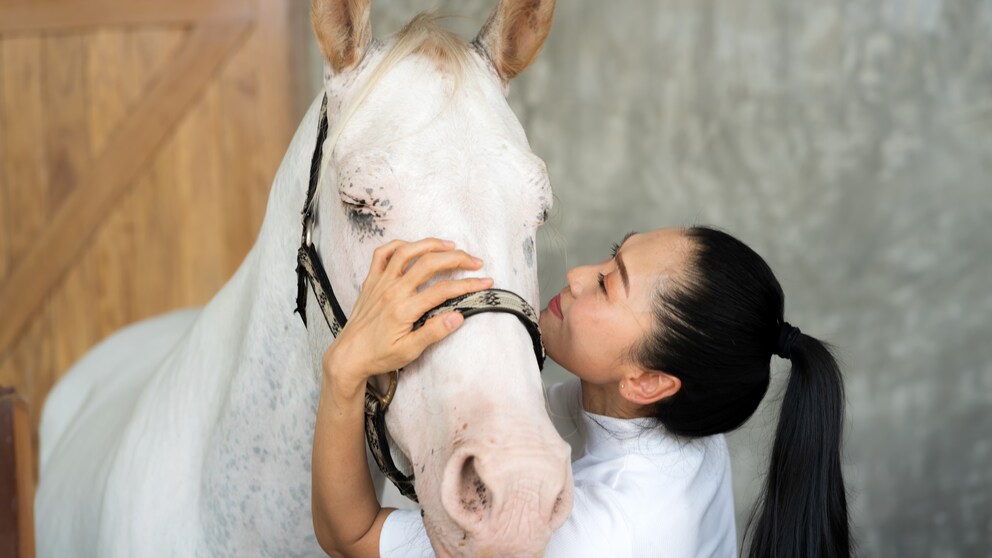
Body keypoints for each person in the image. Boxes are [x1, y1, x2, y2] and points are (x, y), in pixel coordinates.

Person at [311, 228, 852, 558]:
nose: (575, 275)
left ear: (647, 382)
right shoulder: (682, 425)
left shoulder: (595, 536)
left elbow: (350, 537)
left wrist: (345, 369)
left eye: (607, 284)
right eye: (612, 255)